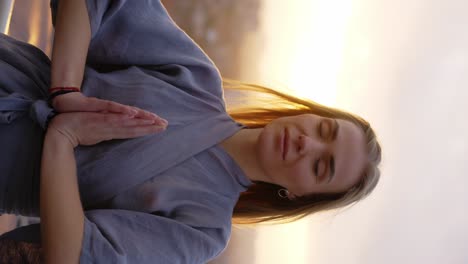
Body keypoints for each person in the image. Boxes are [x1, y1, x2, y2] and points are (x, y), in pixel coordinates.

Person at [0, 0, 382, 263]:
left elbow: (72, 254)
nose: (307, 143)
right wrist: (65, 92)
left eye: (321, 166)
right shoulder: (196, 78)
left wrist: (62, 141)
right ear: (308, 114)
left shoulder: (203, 229)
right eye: (324, 130)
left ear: (298, 195)